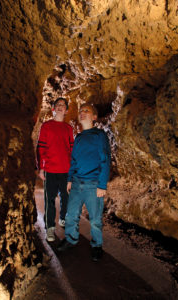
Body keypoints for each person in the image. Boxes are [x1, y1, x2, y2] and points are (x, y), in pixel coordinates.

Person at [57, 103, 111, 262]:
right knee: (71, 214)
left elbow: (105, 160)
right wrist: (69, 179)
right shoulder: (79, 137)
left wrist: (102, 185)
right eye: (80, 111)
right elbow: (73, 161)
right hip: (76, 182)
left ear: (94, 117)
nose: (82, 113)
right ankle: (70, 238)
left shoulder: (99, 135)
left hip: (93, 184)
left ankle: (97, 245)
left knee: (95, 219)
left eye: (86, 111)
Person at [36, 97, 74, 242]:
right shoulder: (46, 126)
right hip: (51, 169)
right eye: (57, 105)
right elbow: (41, 148)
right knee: (49, 200)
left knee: (66, 197)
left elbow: (71, 149)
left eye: (63, 105)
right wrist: (41, 168)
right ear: (53, 108)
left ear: (66, 110)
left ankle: (63, 218)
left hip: (65, 169)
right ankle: (50, 228)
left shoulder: (68, 128)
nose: (60, 107)